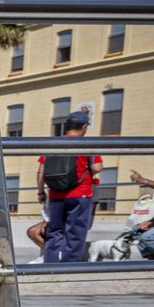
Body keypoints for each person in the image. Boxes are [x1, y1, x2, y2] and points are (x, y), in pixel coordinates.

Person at [36, 111, 100, 263]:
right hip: (80, 193)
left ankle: (50, 263)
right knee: (75, 232)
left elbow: (41, 172)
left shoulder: (52, 144)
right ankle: (69, 265)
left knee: (54, 230)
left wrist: (41, 192)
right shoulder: (87, 144)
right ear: (84, 127)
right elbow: (97, 167)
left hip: (56, 194)